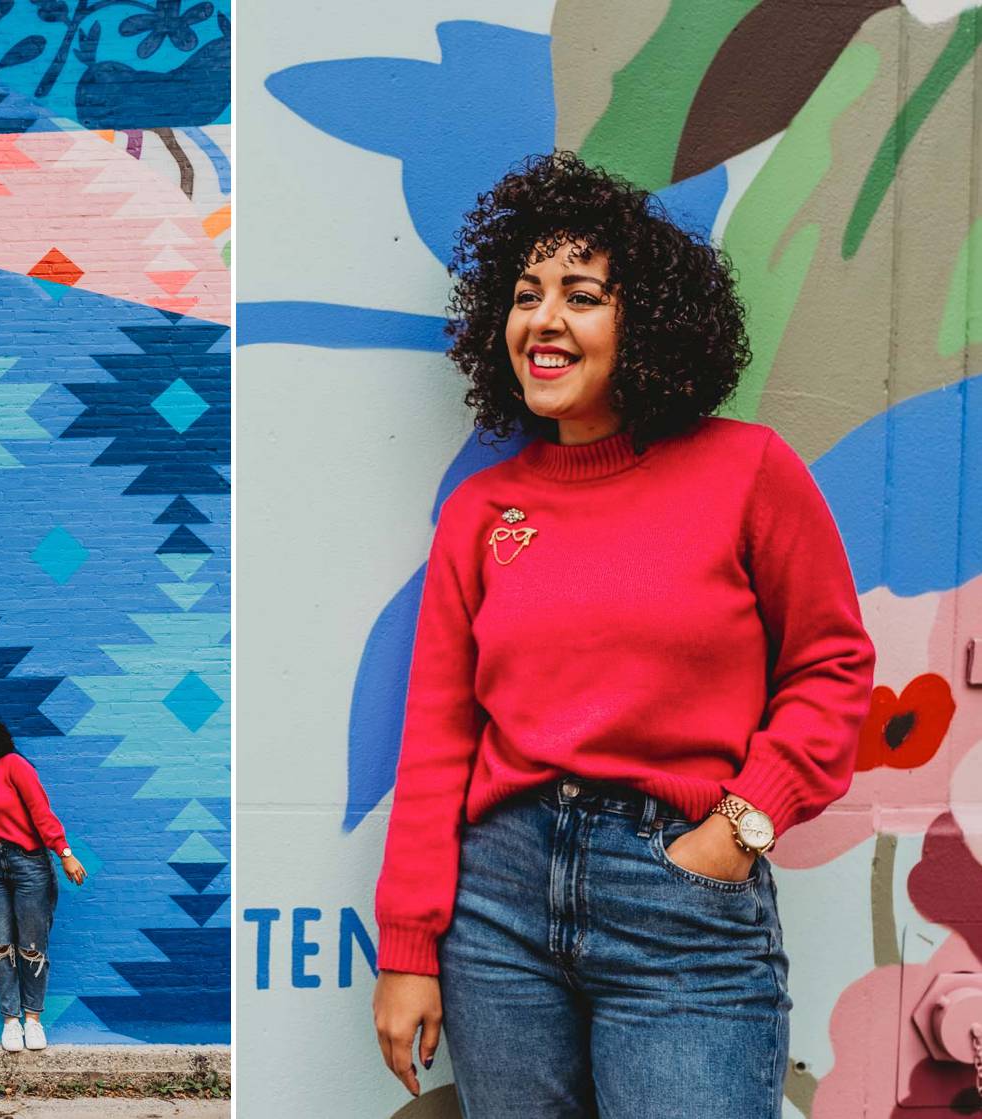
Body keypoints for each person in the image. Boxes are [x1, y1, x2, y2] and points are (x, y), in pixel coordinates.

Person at [370, 152, 876, 1118]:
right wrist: (407, 948)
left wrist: (739, 829)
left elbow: (833, 662)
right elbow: (439, 738)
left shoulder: (749, 471)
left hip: (680, 899)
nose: (544, 320)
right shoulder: (483, 512)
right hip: (498, 910)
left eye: (581, 294)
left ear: (642, 318)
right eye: (525, 295)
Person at [0, 709, 87, 1052]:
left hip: (29, 863)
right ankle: (11, 1022)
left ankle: (33, 1020)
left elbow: (41, 811)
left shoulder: (13, 765)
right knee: (0, 945)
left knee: (32, 946)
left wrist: (64, 852)